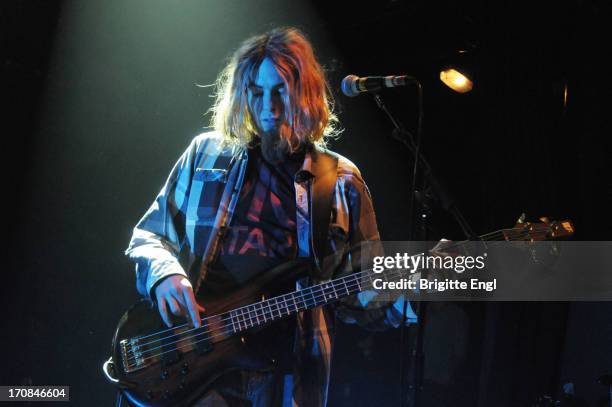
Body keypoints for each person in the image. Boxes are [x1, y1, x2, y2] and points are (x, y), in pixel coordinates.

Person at [125, 27, 414, 407]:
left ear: (305, 93)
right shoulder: (205, 155)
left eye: (280, 92)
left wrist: (415, 291)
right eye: (257, 93)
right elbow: (148, 236)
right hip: (193, 364)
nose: (269, 108)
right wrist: (165, 275)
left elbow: (362, 295)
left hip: (286, 378)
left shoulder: (341, 181)